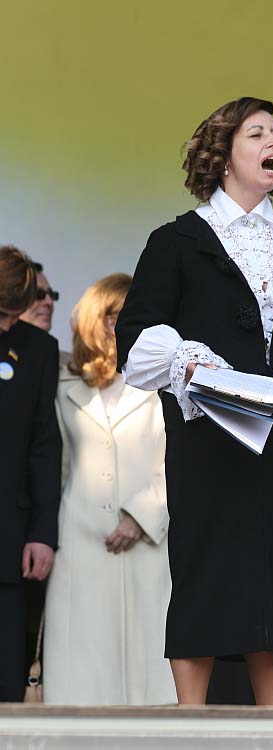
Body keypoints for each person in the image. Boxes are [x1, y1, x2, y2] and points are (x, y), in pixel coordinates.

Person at [115, 96, 273, 705]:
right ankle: (190, 727)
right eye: (256, 133)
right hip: (208, 438)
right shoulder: (177, 240)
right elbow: (137, 336)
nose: (272, 142)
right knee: (203, 575)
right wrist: (188, 362)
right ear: (224, 155)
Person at [44, 273, 176, 705]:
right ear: (93, 319)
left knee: (152, 674)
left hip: (150, 545)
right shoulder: (61, 386)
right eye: (114, 314)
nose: (123, 324)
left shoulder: (166, 383)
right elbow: (54, 466)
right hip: (80, 545)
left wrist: (143, 514)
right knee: (83, 671)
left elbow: (179, 460)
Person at [0, 245, 61, 701]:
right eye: (1, 315)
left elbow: (44, 445)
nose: (7, 326)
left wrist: (42, 533)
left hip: (11, 538)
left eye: (12, 316)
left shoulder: (38, 349)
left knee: (8, 678)